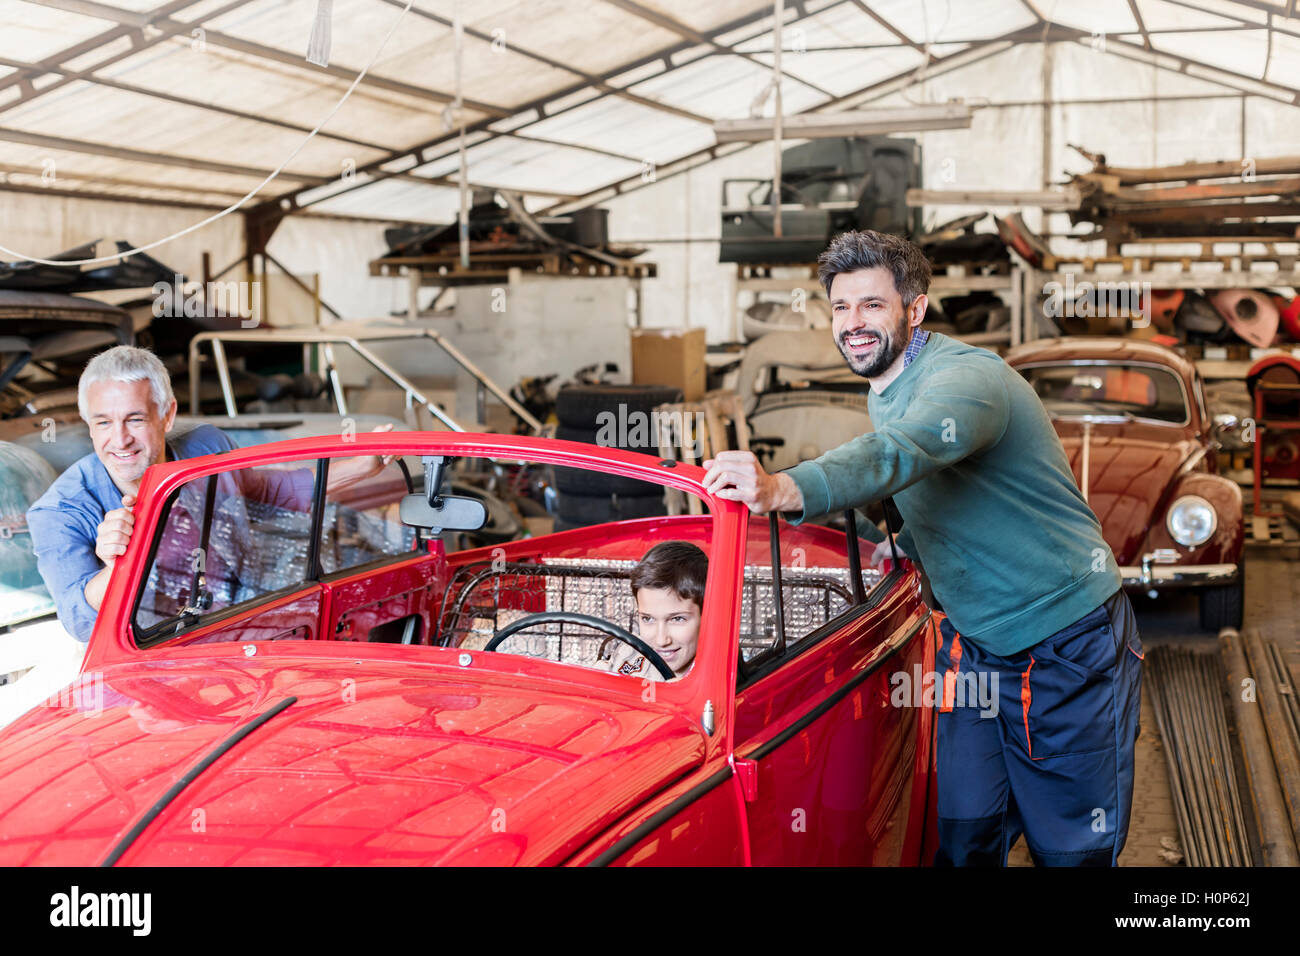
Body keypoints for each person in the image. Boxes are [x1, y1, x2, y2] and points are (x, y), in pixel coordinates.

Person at [702, 229, 1143, 867]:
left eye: (872, 305)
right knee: (963, 836)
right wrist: (900, 545)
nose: (853, 323)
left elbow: (905, 453)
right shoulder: (885, 383)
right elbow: (937, 486)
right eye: (841, 308)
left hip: (1063, 641)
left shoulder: (969, 381)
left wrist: (782, 487)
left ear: (916, 308)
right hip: (976, 643)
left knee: (1071, 846)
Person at [27, 345, 389, 643]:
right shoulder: (60, 512)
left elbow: (264, 489)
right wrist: (119, 564)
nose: (119, 440)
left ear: (167, 416)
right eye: (103, 422)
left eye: (135, 419)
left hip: (251, 621)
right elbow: (79, 620)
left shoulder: (208, 448)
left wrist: (360, 467)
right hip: (168, 653)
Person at [605, 540, 706, 681]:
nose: (661, 641)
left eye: (677, 619)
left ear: (707, 616)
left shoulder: (722, 678)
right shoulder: (629, 652)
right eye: (648, 619)